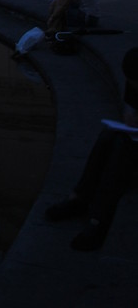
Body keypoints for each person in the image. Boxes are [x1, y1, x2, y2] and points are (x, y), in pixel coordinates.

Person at [46, 47, 138, 250]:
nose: (133, 87)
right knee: (108, 136)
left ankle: (99, 220)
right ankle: (79, 197)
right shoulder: (134, 80)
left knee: (122, 151)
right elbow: (130, 109)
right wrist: (130, 118)